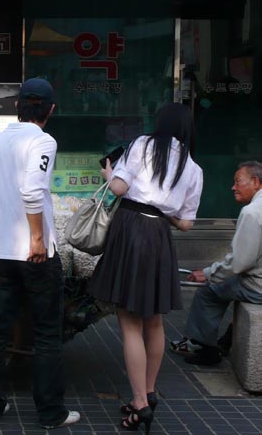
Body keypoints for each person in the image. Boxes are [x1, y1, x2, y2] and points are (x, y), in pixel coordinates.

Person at [89, 103, 203, 433]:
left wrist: (109, 174)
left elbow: (119, 189)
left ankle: (139, 403)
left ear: (160, 123)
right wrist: (162, 206)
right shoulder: (193, 168)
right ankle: (149, 393)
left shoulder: (142, 145)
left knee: (129, 323)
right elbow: (185, 223)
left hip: (130, 228)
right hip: (159, 236)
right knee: (154, 321)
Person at [0, 78, 80, 429]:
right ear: (50, 109)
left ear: (16, 106)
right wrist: (36, 238)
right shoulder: (43, 141)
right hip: (34, 254)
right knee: (47, 332)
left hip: (1, 252)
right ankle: (51, 413)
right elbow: (33, 191)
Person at [170, 161, 262, 366]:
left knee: (208, 292)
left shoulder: (252, 212)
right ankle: (227, 336)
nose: (233, 187)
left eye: (238, 181)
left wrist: (209, 273)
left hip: (258, 286)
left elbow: (240, 262)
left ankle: (201, 346)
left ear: (255, 182)